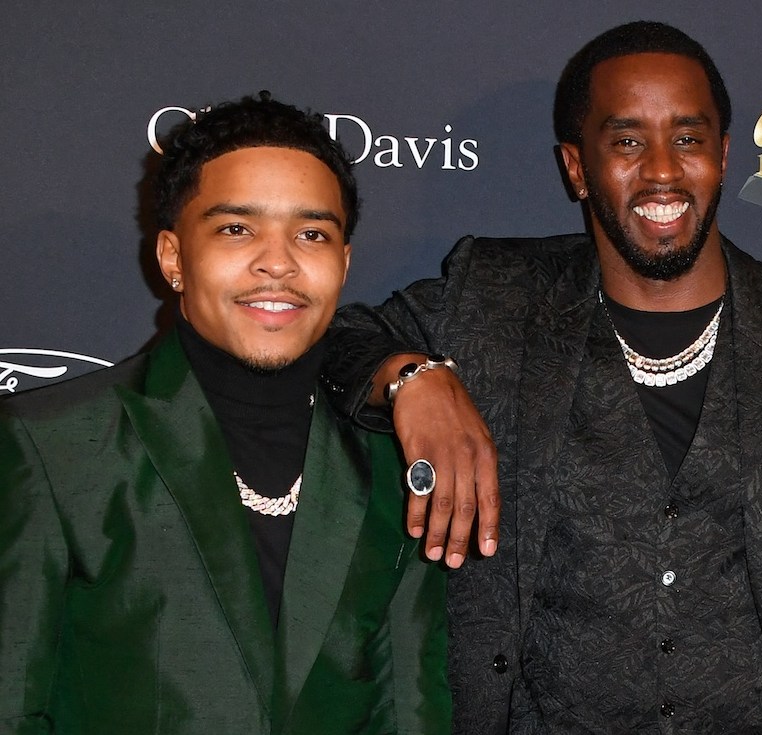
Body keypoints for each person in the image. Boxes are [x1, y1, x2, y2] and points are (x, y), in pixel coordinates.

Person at [325, 20, 762, 734]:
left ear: (722, 155)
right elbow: (330, 341)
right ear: (576, 167)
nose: (661, 170)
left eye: (687, 139)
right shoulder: (493, 297)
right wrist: (412, 378)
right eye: (627, 142)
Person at [0, 93, 450, 733]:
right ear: (173, 258)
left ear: (344, 263)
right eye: (236, 229)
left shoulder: (394, 462)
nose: (278, 262)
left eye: (312, 234)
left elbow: (411, 710)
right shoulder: (52, 446)